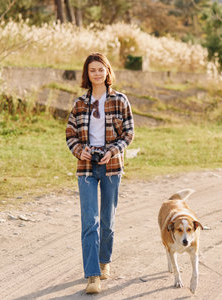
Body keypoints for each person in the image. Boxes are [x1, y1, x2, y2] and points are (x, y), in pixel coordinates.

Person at [65, 52, 134, 294]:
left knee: (107, 220)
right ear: (87, 74)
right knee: (89, 222)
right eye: (92, 70)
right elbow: (70, 135)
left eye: (100, 69)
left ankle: (104, 262)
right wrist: (79, 150)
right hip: (86, 168)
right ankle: (92, 275)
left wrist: (113, 151)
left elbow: (128, 133)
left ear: (107, 71)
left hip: (112, 166)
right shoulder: (79, 104)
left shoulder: (120, 100)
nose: (96, 73)